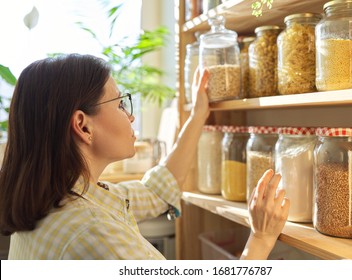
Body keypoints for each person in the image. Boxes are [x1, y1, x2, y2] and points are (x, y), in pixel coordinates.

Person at [0, 54, 289, 260]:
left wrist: (198, 114)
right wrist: (261, 239)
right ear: (83, 125)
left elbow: (156, 189)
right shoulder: (94, 234)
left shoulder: (56, 198)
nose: (131, 115)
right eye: (120, 104)